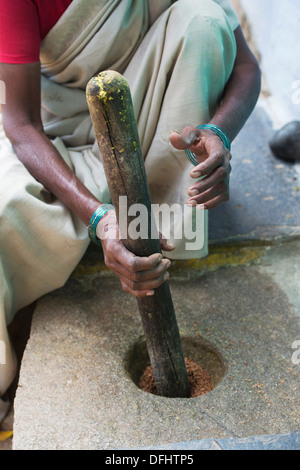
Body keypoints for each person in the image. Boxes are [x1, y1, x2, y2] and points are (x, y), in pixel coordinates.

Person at [0, 0, 261, 422]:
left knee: (204, 19)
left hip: (155, 118)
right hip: (62, 134)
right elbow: (21, 125)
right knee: (5, 214)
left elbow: (247, 70)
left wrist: (219, 133)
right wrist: (98, 216)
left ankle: (165, 224)